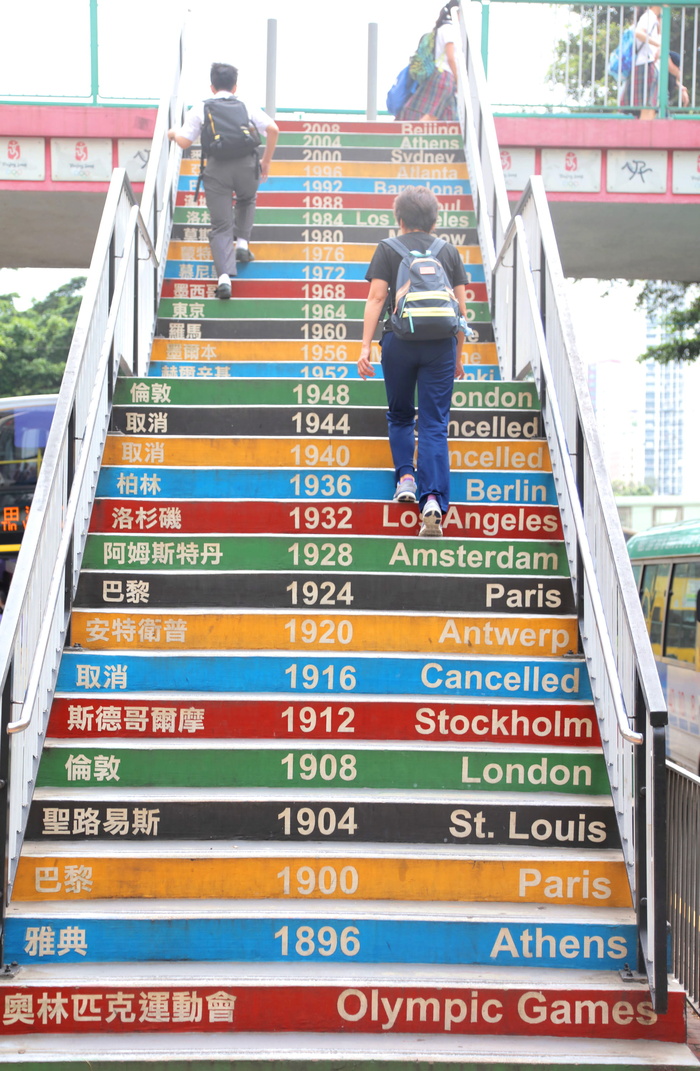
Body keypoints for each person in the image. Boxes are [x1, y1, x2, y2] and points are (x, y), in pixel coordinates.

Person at [357, 186, 469, 538]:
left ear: (399, 219)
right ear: (434, 220)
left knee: (401, 413)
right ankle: (433, 499)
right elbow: (463, 312)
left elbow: (376, 299)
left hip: (399, 342)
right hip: (441, 345)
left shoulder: (388, 249)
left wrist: (364, 348)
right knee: (435, 422)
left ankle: (405, 477)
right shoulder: (448, 252)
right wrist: (459, 355)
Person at [168, 62, 279, 299]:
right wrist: (266, 161)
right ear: (235, 85)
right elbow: (273, 129)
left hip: (217, 168)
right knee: (247, 200)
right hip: (247, 164)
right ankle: (242, 244)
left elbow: (185, 142)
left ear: (212, 86)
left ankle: (225, 278)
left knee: (220, 225)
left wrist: (173, 134)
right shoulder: (245, 105)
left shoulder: (201, 108)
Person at [398, 1, 460, 122]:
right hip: (446, 76)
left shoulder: (442, 28)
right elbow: (451, 58)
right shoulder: (449, 29)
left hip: (442, 75)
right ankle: (412, 133)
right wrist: (458, 80)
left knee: (446, 113)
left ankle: (416, 133)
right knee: (433, 114)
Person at [621, 5, 662, 119]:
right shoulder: (649, 16)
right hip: (645, 64)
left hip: (646, 64)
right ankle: (645, 135)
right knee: (647, 105)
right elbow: (639, 33)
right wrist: (659, 44)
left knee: (647, 105)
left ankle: (643, 134)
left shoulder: (653, 18)